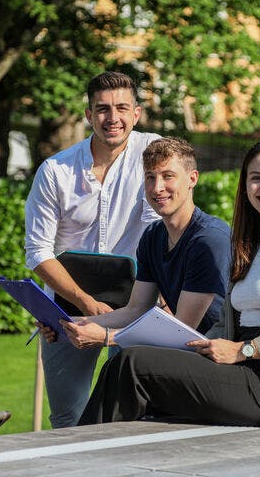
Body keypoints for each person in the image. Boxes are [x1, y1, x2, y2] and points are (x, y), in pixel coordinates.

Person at [78, 135, 260, 429]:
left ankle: (79, 449)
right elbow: (224, 326)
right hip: (237, 366)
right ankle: (101, 449)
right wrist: (201, 347)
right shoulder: (250, 245)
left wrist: (244, 350)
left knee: (133, 365)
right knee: (130, 366)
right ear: (245, 185)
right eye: (256, 178)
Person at [24, 71, 160, 428]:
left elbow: (159, 228)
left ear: (136, 113)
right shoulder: (55, 170)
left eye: (121, 108)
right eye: (102, 109)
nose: (112, 118)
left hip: (136, 302)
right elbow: (37, 251)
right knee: (68, 418)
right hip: (68, 307)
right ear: (88, 115)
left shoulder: (152, 154)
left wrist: (159, 298)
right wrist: (85, 303)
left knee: (132, 414)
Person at [54, 137, 231, 350]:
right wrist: (69, 323)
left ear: (192, 179)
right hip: (186, 349)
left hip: (217, 351)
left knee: (128, 359)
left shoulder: (209, 239)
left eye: (168, 176)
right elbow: (136, 309)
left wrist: (107, 337)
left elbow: (182, 329)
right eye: (150, 177)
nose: (157, 188)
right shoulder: (153, 236)